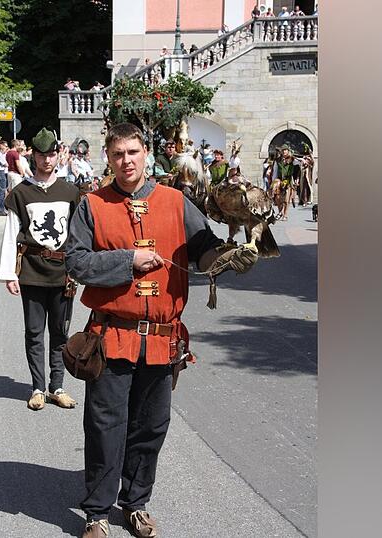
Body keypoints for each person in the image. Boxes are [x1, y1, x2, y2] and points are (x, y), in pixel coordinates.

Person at [65, 122, 258, 538]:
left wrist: (229, 254)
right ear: (108, 157)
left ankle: (135, 503)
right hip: (111, 335)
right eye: (118, 154)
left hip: (162, 339)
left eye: (133, 152)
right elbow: (76, 263)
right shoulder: (92, 205)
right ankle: (97, 512)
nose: (127, 161)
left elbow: (205, 249)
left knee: (150, 427)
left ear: (147, 153)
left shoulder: (175, 201)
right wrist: (126, 261)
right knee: (104, 426)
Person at [0, 128, 81, 411]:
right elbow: (12, 233)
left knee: (60, 332)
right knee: (34, 332)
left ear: (58, 155)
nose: (47, 160)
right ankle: (37, 387)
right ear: (33, 155)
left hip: (63, 272)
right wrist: (9, 273)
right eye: (42, 154)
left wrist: (79, 267)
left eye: (52, 154)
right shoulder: (21, 193)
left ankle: (57, 386)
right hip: (31, 272)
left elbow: (77, 233)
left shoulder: (70, 191)